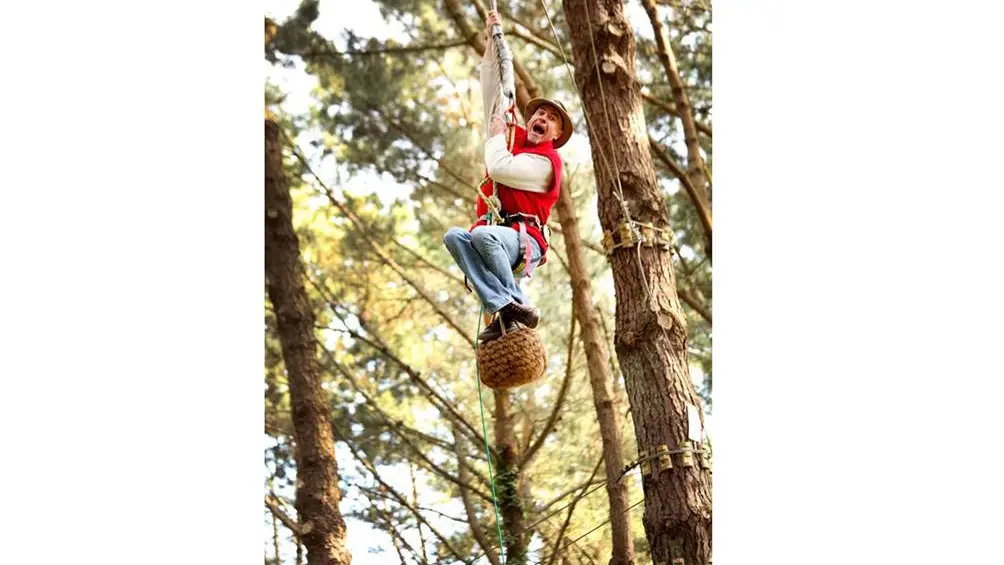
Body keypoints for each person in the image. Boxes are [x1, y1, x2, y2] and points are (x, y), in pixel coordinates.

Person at [443, 10, 573, 344]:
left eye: (551, 118)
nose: (541, 117)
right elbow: (493, 89)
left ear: (555, 135)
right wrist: (493, 39)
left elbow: (499, 167)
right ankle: (505, 306)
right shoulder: (512, 139)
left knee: (484, 236)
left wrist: (497, 134)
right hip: (501, 235)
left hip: (525, 239)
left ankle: (517, 301)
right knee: (455, 237)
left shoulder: (547, 164)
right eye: (539, 113)